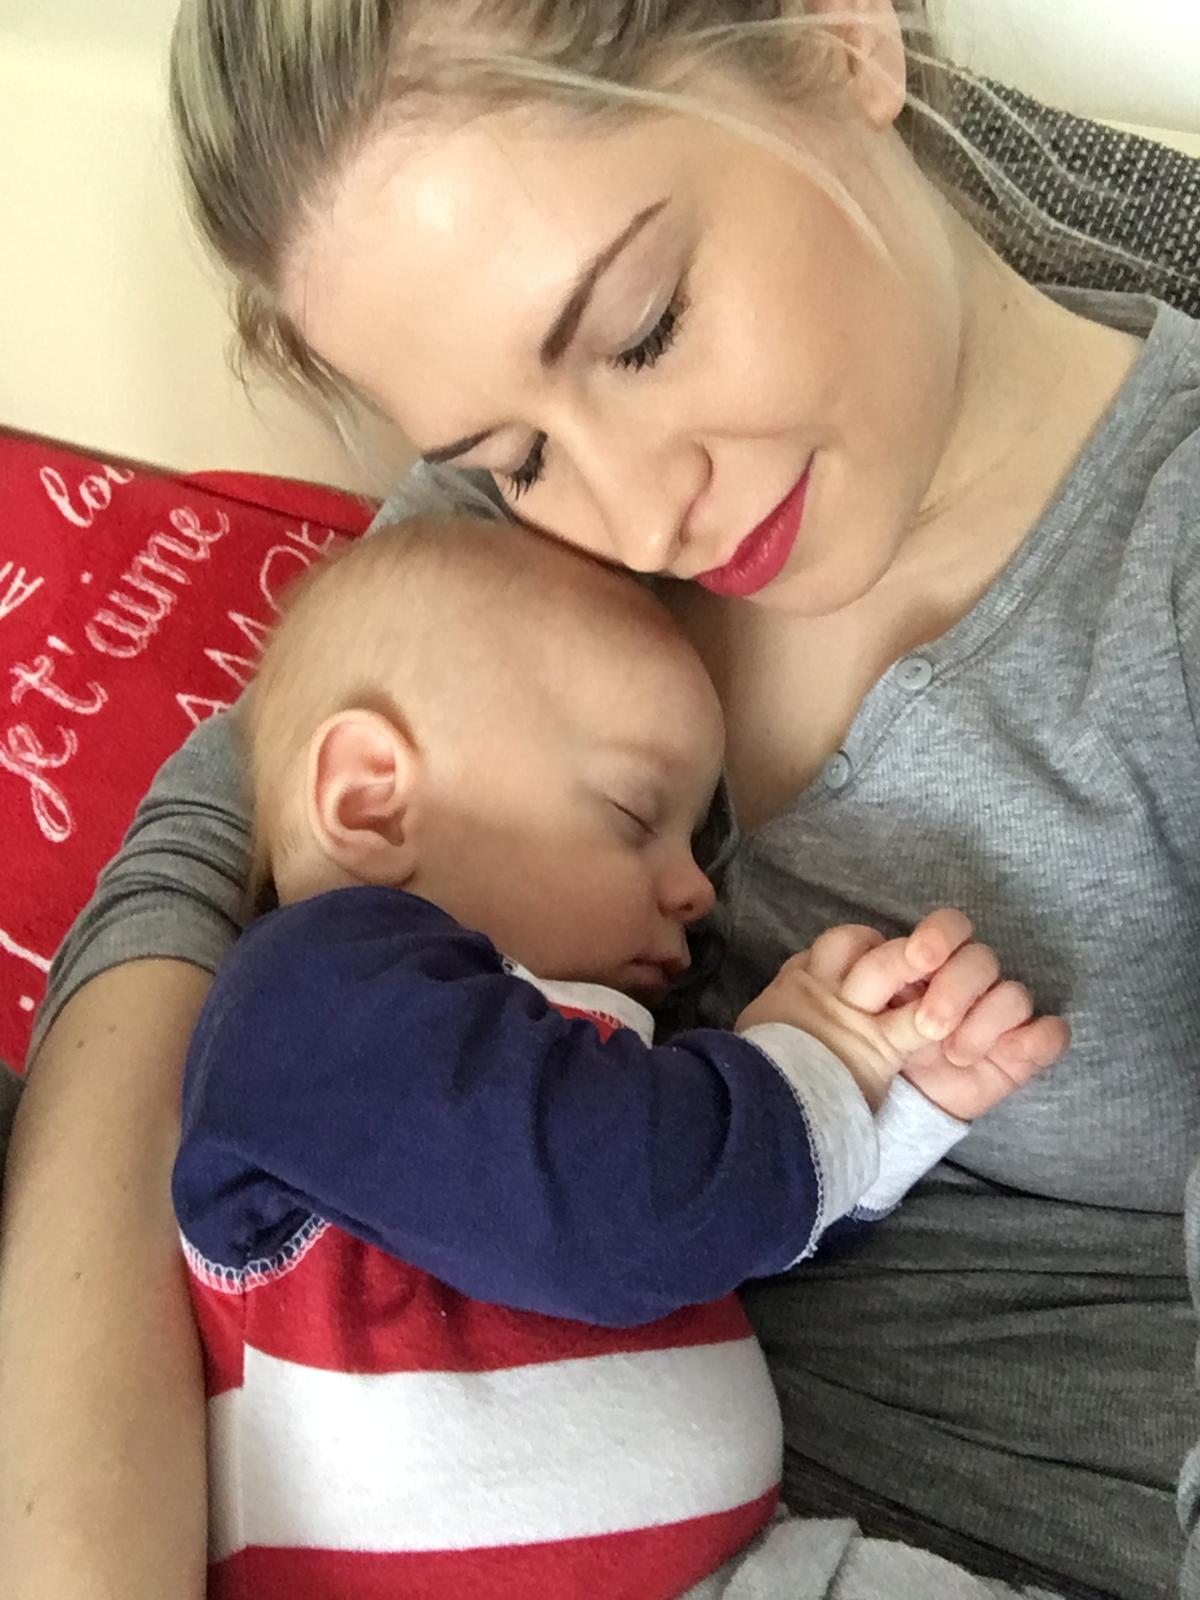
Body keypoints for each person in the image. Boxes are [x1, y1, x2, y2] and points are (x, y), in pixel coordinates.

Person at [2, 2, 1198, 1597]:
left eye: (640, 331)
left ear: (841, 37)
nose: (637, 521)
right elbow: (213, 854)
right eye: (510, 453)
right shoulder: (511, 546)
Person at [181, 514, 1064, 1597]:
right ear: (373, 800)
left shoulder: (576, 1066)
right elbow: (610, 1213)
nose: (696, 890)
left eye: (694, 840)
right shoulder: (308, 1003)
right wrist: (807, 1067)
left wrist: (890, 1099)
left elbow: (709, 1239)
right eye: (634, 813)